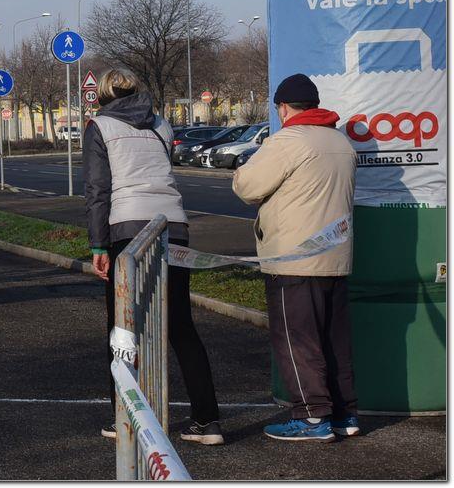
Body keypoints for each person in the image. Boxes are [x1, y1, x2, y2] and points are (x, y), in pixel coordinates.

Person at [84, 68, 223, 446]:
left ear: (104, 95)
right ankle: (207, 421)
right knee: (180, 325)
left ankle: (126, 416)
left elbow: (98, 190)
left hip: (127, 229)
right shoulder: (161, 124)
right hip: (172, 225)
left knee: (122, 328)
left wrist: (98, 245)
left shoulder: (100, 126)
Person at [233, 73, 358, 442]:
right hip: (335, 255)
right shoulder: (341, 142)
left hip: (293, 258)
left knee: (297, 340)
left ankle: (311, 416)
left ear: (284, 108)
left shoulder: (287, 141)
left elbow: (247, 186)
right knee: (334, 340)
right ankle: (345, 414)